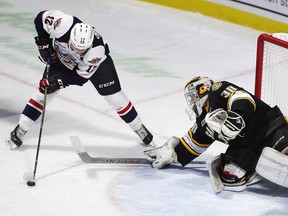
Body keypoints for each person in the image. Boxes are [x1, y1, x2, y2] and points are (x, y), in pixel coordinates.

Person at [6, 10, 153, 149]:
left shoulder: (96, 52)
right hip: (61, 59)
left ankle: (139, 128)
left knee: (115, 98)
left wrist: (57, 81)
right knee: (42, 93)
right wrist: (43, 43)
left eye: (82, 50)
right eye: (76, 47)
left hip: (94, 67)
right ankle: (21, 129)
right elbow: (40, 18)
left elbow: (80, 78)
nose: (78, 51)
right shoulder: (63, 24)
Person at [144, 76, 288, 191]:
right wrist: (174, 154)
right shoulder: (203, 121)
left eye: (193, 95)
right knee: (230, 176)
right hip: (246, 145)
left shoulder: (217, 90)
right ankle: (256, 166)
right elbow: (193, 144)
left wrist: (236, 115)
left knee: (285, 151)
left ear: (203, 88)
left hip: (269, 127)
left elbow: (243, 98)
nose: (192, 100)